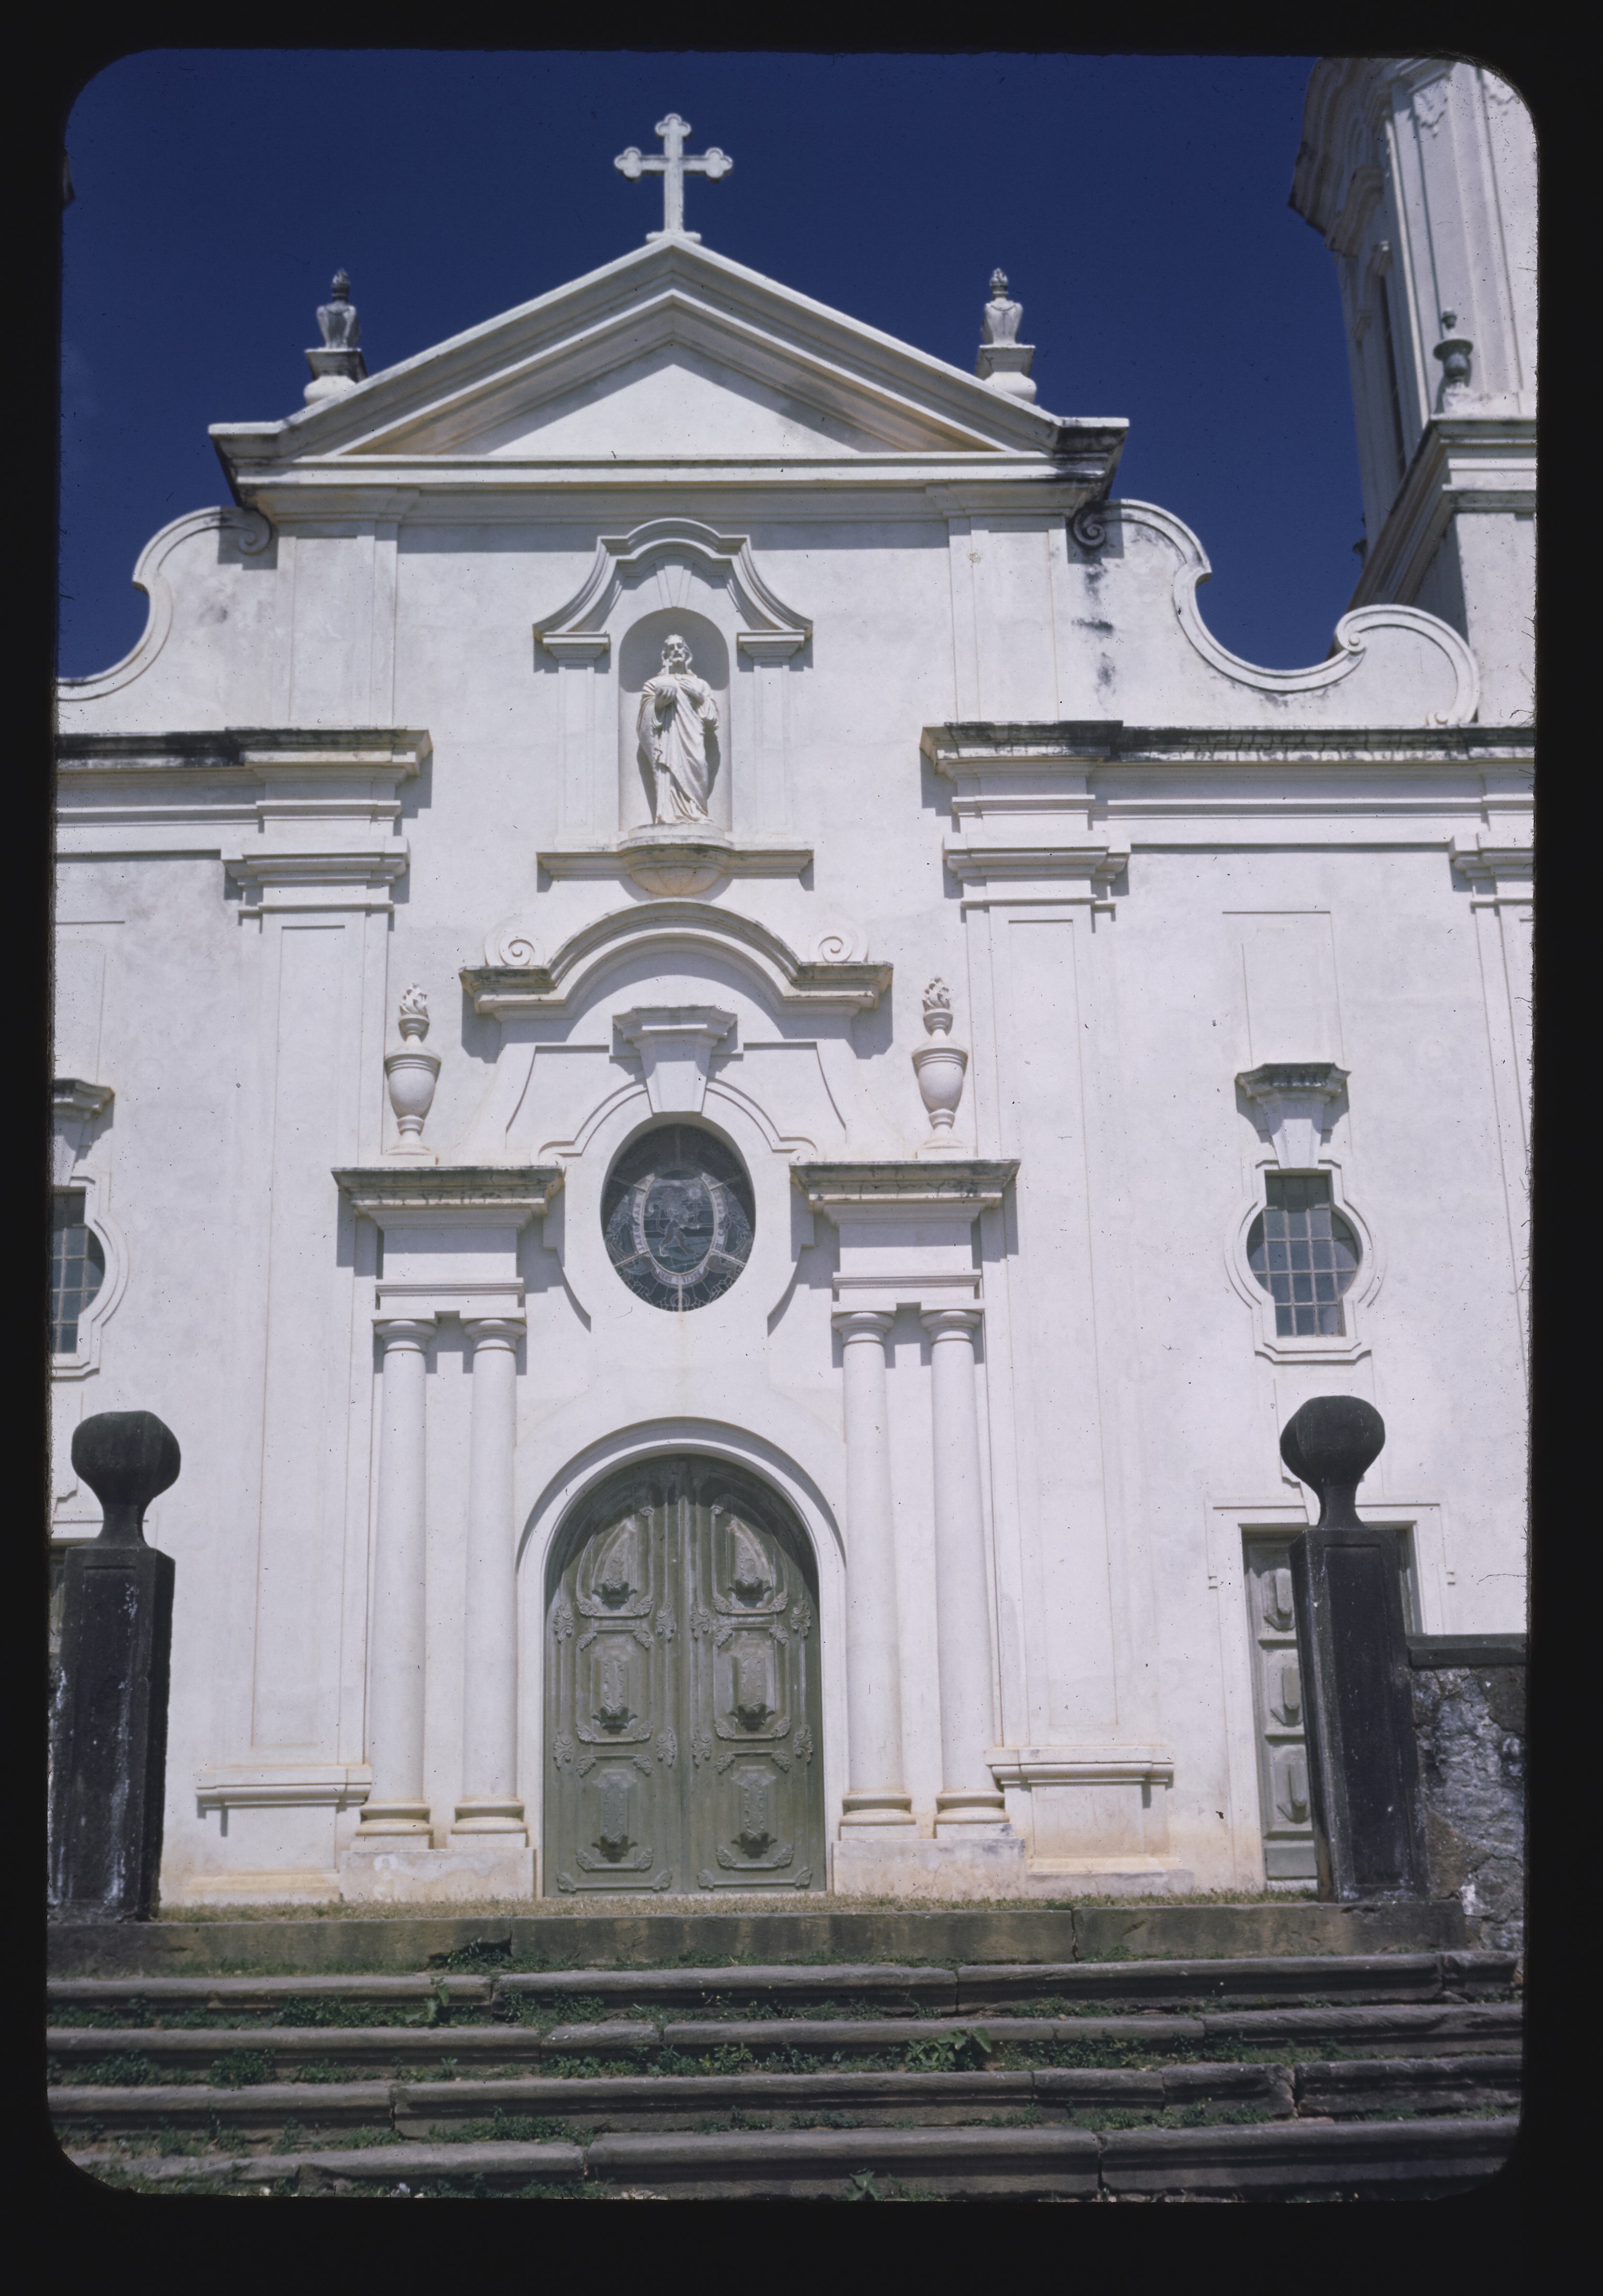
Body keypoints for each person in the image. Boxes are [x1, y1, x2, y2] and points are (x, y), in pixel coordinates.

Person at [637, 634, 719, 821]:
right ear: (665, 654)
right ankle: (670, 814)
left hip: (694, 737)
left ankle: (697, 812)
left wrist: (700, 696)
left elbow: (714, 719)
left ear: (686, 651)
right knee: (668, 770)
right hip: (668, 740)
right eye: (671, 647)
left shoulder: (700, 684)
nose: (676, 650)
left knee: (698, 765)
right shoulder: (654, 684)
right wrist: (658, 704)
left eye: (680, 646)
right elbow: (644, 721)